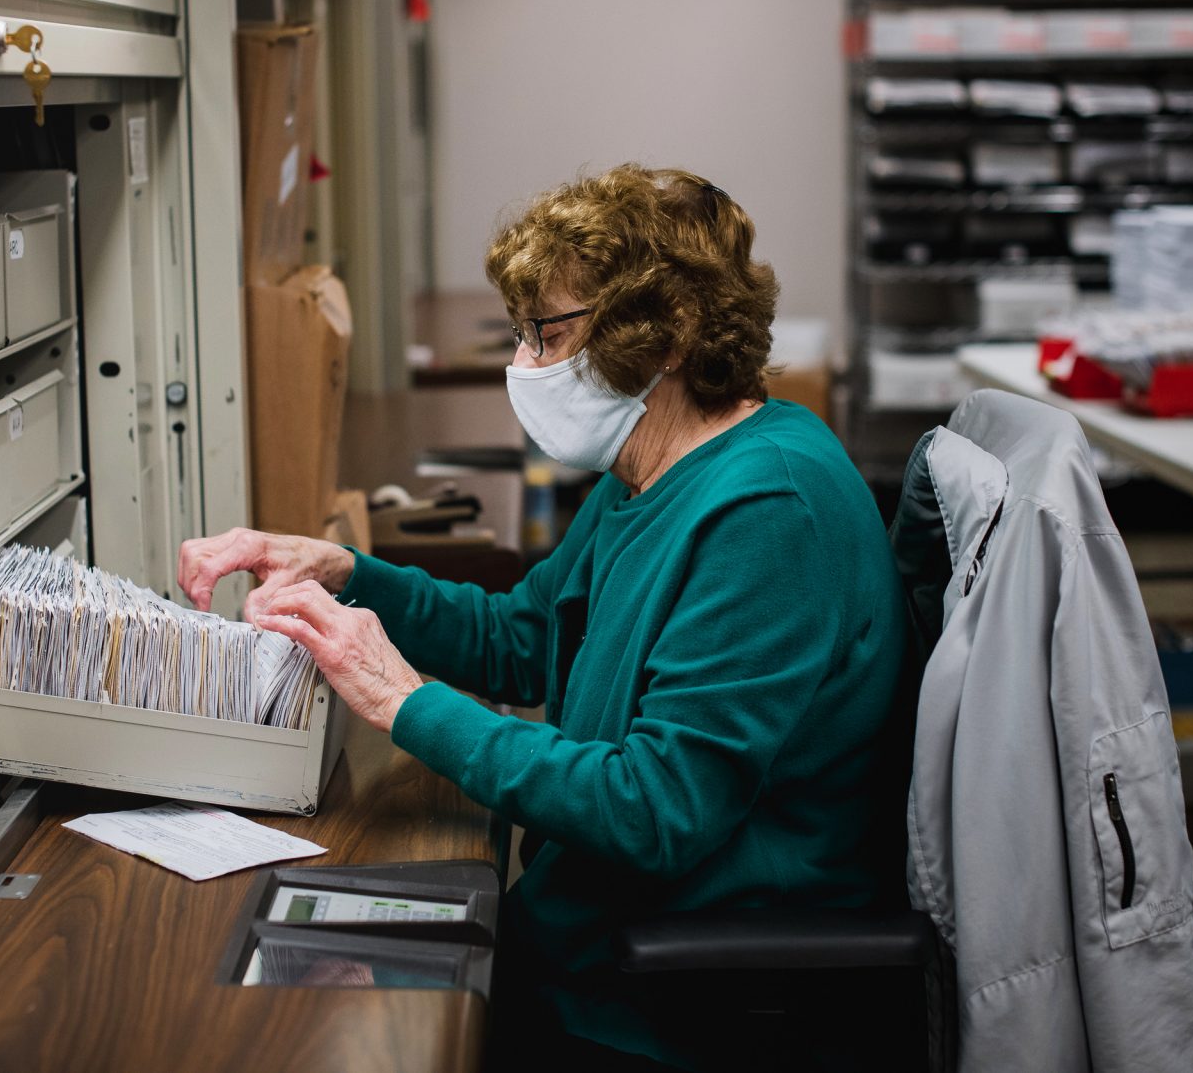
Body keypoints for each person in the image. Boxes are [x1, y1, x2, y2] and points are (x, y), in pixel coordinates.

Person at [179, 164, 906, 1069]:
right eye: (520, 334)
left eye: (547, 335)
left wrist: (403, 699)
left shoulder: (769, 512)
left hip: (677, 992)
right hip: (594, 933)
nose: (523, 366)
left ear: (667, 335)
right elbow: (524, 639)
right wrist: (345, 573)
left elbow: (656, 807)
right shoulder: (650, 467)